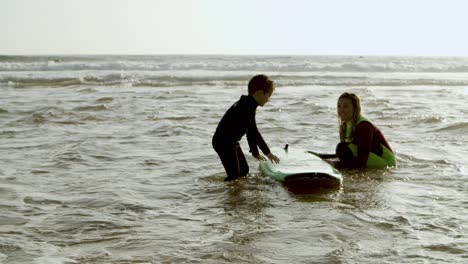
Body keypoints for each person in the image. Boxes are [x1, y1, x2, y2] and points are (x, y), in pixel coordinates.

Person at [212, 74, 280, 181]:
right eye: (268, 96)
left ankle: (234, 191)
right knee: (234, 176)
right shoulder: (246, 107)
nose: (268, 100)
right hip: (223, 142)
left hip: (230, 142)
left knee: (244, 171)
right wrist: (268, 153)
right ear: (259, 93)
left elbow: (250, 132)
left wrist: (255, 152)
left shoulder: (248, 104)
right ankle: (227, 194)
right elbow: (254, 132)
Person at [314, 92, 396, 169]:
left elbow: (362, 160)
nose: (341, 110)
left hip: (387, 163)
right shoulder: (345, 125)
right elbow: (347, 154)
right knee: (342, 149)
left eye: (345, 106)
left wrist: (335, 164)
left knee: (342, 148)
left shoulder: (364, 125)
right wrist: (320, 156)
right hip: (368, 157)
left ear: (355, 108)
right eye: (339, 106)